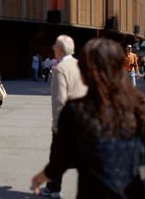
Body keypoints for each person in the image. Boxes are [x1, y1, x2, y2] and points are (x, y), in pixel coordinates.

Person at [31, 38, 145, 198]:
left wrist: (38, 179)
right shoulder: (138, 107)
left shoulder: (75, 111)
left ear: (86, 71)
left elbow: (60, 160)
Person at [41, 35, 88, 198]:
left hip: (66, 122)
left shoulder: (60, 69)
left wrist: (56, 125)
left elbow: (59, 101)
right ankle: (53, 186)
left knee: (57, 155)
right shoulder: (80, 65)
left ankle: (54, 189)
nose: (53, 48)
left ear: (60, 48)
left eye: (54, 45)